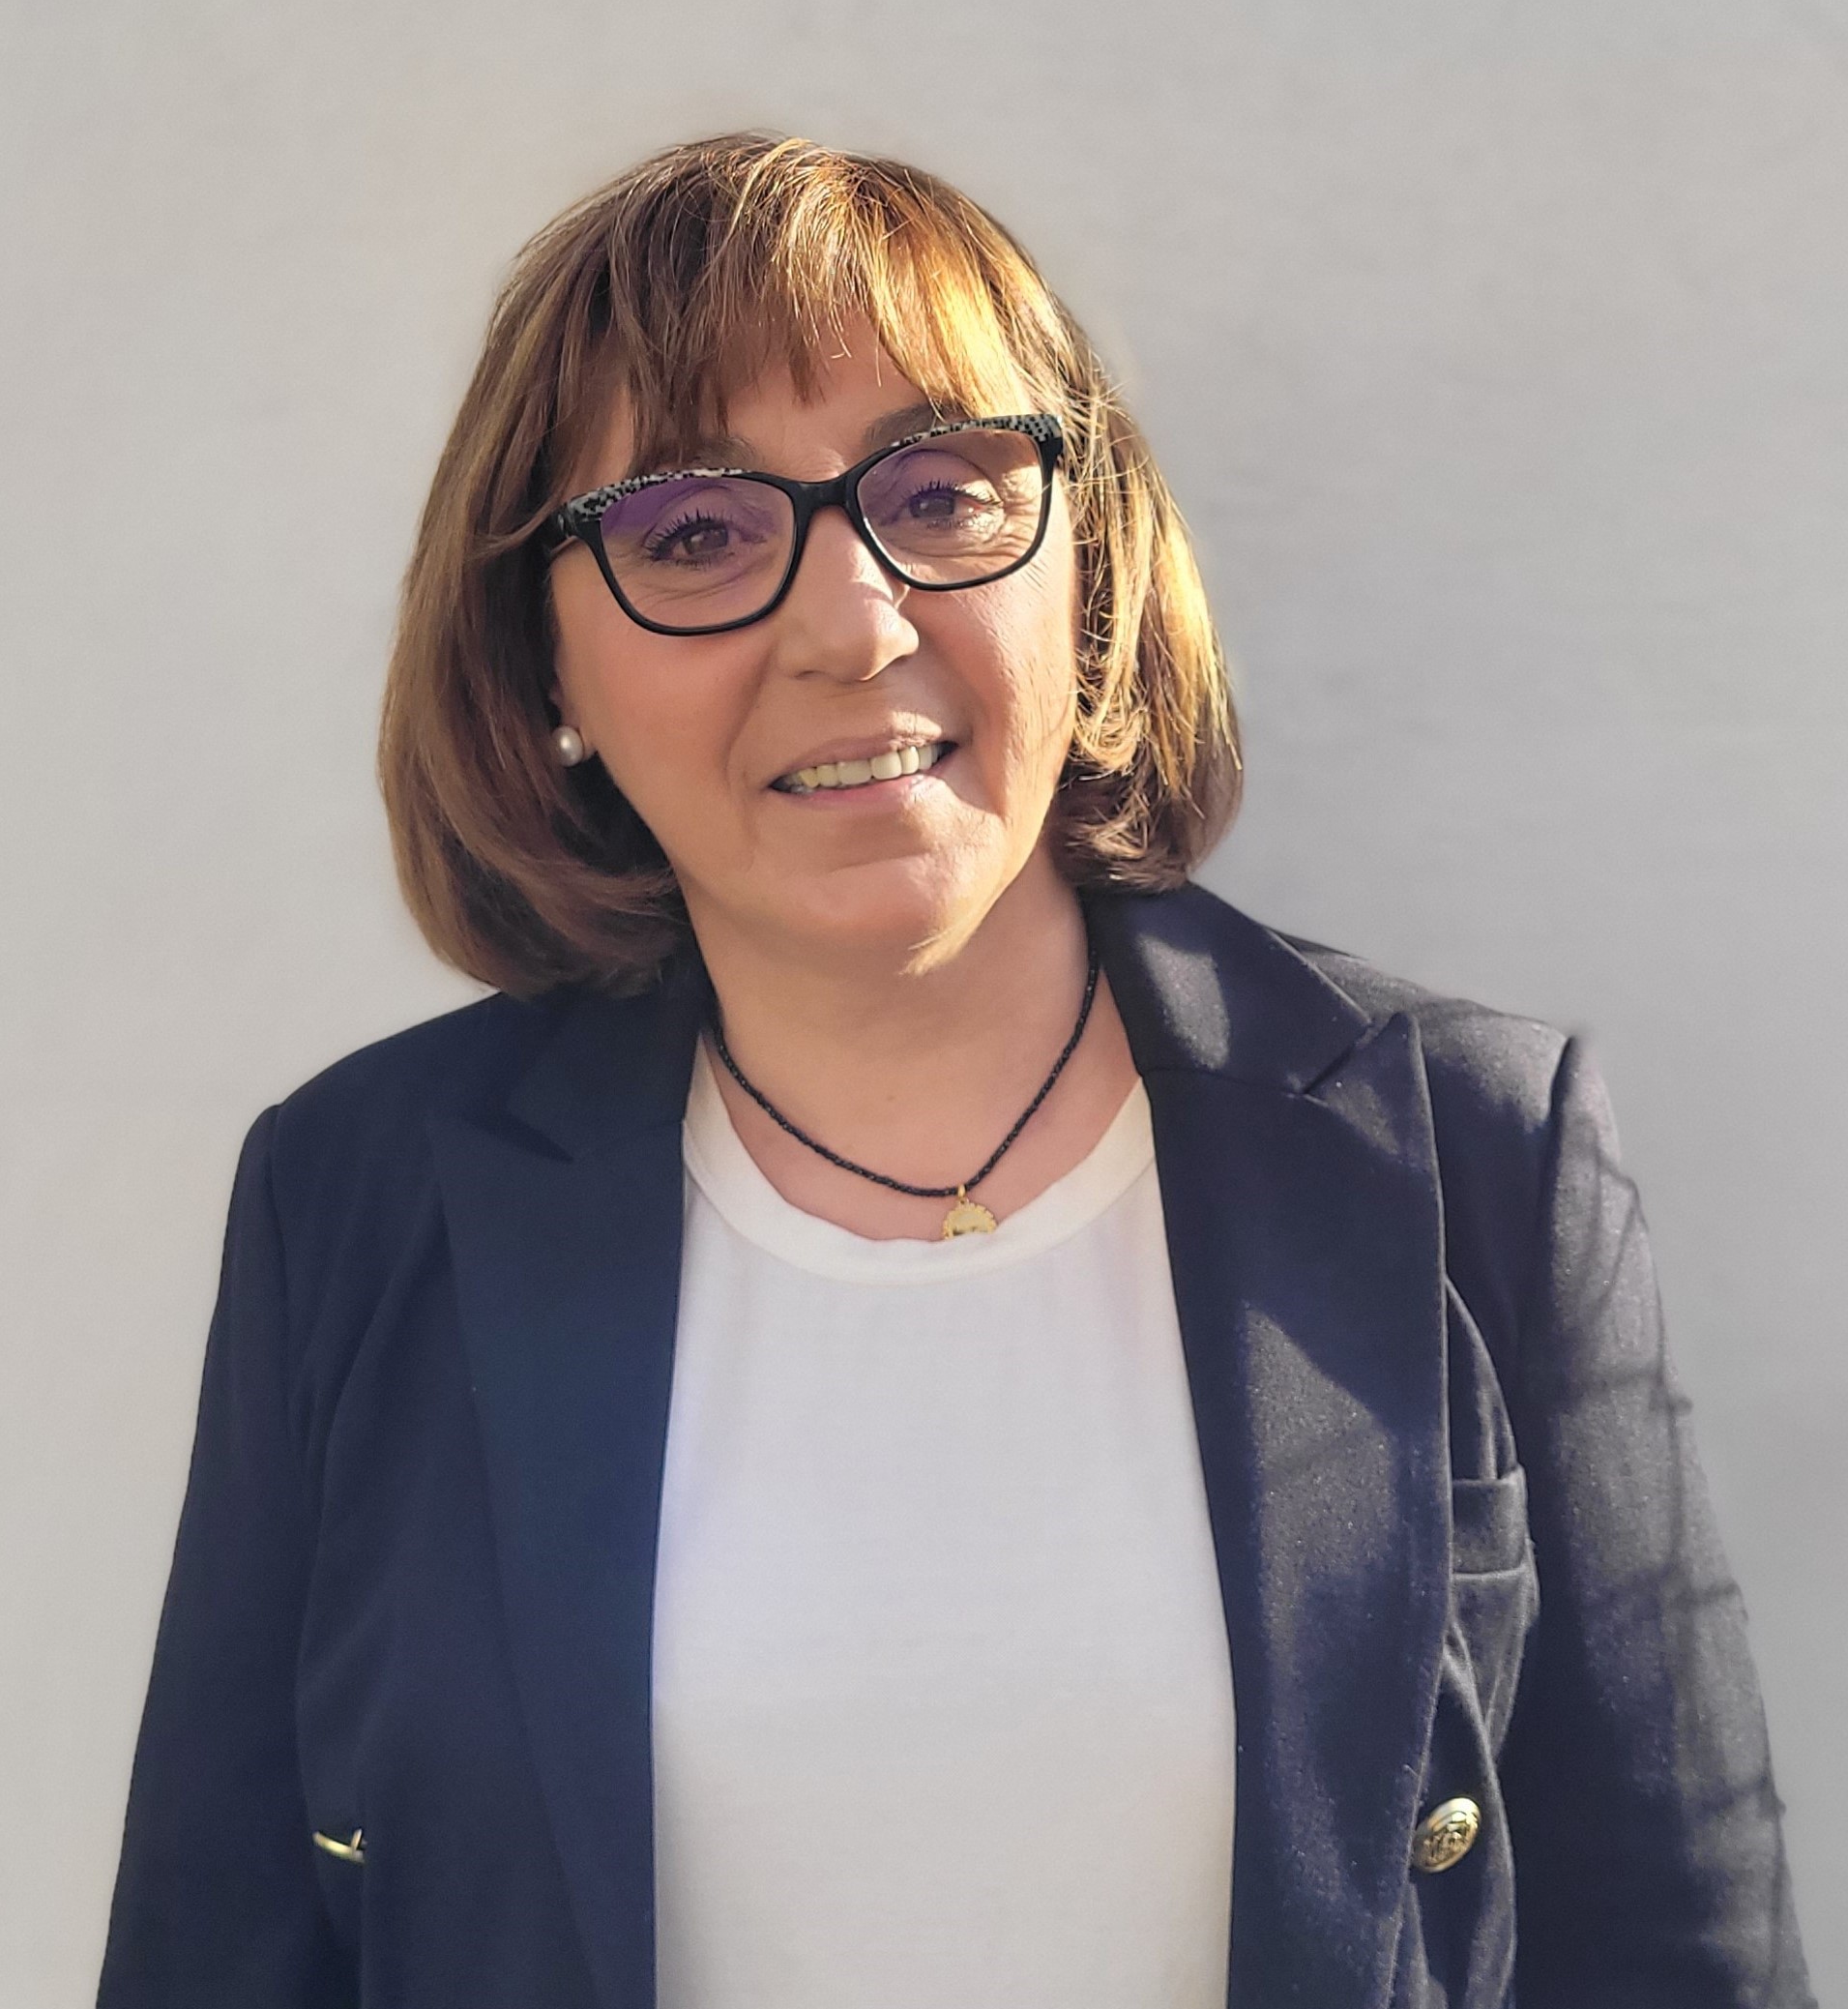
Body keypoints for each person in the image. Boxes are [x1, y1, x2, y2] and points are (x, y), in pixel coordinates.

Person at [97, 133, 1811, 2009]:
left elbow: (1677, 1957)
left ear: (1089, 569)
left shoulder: (1471, 1149)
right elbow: (213, 1955)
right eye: (694, 533)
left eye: (940, 492)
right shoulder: (360, 1197)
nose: (852, 625)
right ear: (543, 672)